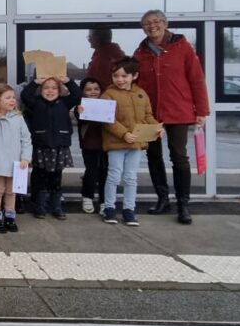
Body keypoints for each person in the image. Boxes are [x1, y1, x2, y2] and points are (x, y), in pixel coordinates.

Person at [134, 9, 209, 225]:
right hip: (150, 114)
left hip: (178, 110)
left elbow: (196, 79)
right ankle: (162, 199)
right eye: (147, 23)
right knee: (153, 156)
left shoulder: (182, 48)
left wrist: (201, 110)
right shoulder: (140, 52)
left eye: (156, 22)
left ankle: (183, 203)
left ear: (165, 24)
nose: (152, 26)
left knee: (179, 156)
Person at [96, 56, 162, 226]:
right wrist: (124, 134)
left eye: (124, 76)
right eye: (116, 76)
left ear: (134, 76)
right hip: (116, 144)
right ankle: (109, 208)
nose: (120, 79)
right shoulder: (108, 94)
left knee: (131, 177)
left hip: (136, 144)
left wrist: (156, 128)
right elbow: (107, 119)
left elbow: (148, 116)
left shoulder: (141, 93)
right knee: (114, 175)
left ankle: (129, 210)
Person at [21, 75, 81, 220]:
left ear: (60, 90)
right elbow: (25, 95)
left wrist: (68, 81)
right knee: (41, 178)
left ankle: (56, 206)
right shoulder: (36, 103)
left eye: (54, 88)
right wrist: (35, 82)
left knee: (56, 178)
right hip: (42, 144)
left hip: (59, 145)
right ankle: (40, 206)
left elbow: (78, 95)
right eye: (46, 88)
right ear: (40, 90)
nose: (50, 91)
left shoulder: (64, 103)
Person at [0, 84, 31, 234]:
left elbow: (26, 139)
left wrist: (25, 157)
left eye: (13, 97)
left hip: (15, 162)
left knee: (11, 191)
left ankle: (9, 216)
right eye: (7, 98)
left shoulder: (18, 118)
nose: (12, 100)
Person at [76, 77, 108, 214]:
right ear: (83, 91)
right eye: (88, 89)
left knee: (105, 172)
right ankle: (87, 196)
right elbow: (79, 121)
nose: (93, 92)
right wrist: (80, 113)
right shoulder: (80, 105)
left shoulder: (107, 103)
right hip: (88, 144)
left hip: (105, 144)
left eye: (96, 89)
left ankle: (104, 200)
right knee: (92, 171)